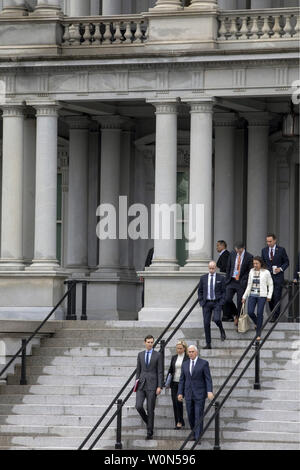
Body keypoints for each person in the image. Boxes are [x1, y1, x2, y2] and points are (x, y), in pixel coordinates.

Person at [177, 345, 214, 442]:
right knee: (190, 414)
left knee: (198, 414)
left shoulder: (204, 363)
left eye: (192, 351)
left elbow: (208, 379)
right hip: (188, 393)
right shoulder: (185, 364)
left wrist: (209, 391)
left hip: (200, 394)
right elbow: (182, 380)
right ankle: (194, 433)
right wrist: (180, 393)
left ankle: (198, 437)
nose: (191, 353)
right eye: (189, 352)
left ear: (196, 352)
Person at [135, 335, 163, 440]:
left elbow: (160, 372)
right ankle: (149, 421)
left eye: (152, 342)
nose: (150, 344)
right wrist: (136, 384)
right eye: (148, 342)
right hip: (141, 385)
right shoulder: (140, 355)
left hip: (152, 385)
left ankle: (149, 432)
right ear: (145, 342)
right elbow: (138, 371)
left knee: (150, 409)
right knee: (138, 406)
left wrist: (160, 386)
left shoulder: (158, 355)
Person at [242, 256, 273, 341]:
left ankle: (258, 334)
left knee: (260, 313)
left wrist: (269, 295)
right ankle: (257, 323)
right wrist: (244, 296)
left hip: (262, 296)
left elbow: (270, 284)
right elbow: (249, 285)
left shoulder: (266, 272)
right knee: (250, 312)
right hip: (252, 295)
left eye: (257, 263)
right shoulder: (251, 271)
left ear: (260, 263)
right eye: (254, 263)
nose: (255, 265)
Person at [198, 261, 226, 349]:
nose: (211, 270)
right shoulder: (203, 278)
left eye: (213, 268)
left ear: (216, 268)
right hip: (206, 303)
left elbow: (224, 291)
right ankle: (208, 343)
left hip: (216, 302)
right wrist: (201, 301)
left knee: (217, 319)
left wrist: (221, 301)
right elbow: (200, 291)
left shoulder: (221, 278)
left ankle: (221, 330)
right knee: (206, 323)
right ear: (208, 268)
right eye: (210, 268)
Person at [261, 234, 289, 322]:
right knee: (269, 298)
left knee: (277, 297)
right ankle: (273, 314)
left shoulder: (281, 250)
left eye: (270, 241)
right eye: (267, 241)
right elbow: (263, 263)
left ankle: (275, 316)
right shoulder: (264, 250)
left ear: (275, 240)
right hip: (268, 278)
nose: (268, 243)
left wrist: (280, 269)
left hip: (278, 278)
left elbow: (287, 262)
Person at [225, 242, 253, 328]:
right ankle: (235, 314)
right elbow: (229, 266)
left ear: (243, 248)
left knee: (240, 302)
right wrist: (227, 278)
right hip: (232, 280)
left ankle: (239, 319)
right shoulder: (232, 254)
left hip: (241, 282)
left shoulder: (249, 256)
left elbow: (249, 271)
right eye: (236, 250)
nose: (238, 252)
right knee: (227, 299)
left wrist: (244, 280)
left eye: (240, 250)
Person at [165, 340, 189, 430]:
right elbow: (171, 370)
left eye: (180, 348)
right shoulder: (174, 357)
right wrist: (167, 382)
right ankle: (178, 422)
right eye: (177, 348)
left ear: (184, 349)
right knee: (174, 402)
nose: (178, 350)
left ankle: (180, 421)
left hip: (183, 383)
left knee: (178, 401)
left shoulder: (187, 358)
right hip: (174, 382)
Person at [216, 240, 235, 322]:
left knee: (226, 298)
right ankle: (227, 315)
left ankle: (232, 314)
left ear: (223, 246)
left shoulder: (225, 254)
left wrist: (218, 268)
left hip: (225, 279)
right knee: (224, 298)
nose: (217, 247)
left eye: (218, 246)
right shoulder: (224, 254)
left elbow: (225, 267)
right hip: (224, 279)